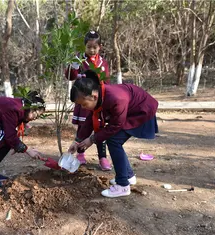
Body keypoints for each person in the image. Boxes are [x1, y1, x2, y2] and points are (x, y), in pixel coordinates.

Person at [68, 70, 159, 198]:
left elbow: (116, 125)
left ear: (94, 96)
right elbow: (90, 120)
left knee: (113, 140)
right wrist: (77, 140)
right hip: (131, 111)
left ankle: (122, 186)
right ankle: (128, 176)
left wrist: (92, 139)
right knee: (113, 139)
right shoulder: (100, 96)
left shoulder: (116, 98)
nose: (83, 108)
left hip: (142, 111)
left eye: (83, 104)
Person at [65, 30, 112, 171]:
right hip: (84, 100)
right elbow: (70, 76)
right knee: (83, 126)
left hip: (98, 101)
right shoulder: (79, 60)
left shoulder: (103, 62)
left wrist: (106, 98)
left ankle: (102, 157)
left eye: (94, 47)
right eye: (89, 47)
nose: (92, 50)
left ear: (100, 47)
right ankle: (80, 153)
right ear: (84, 46)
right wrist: (73, 66)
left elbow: (107, 80)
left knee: (100, 127)